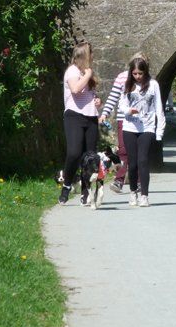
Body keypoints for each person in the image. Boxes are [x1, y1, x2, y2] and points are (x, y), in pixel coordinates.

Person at [117, 56, 165, 207]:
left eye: (140, 73)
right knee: (132, 163)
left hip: (147, 128)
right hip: (129, 128)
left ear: (145, 72)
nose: (137, 76)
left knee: (143, 160)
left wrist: (159, 132)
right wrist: (128, 111)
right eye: (135, 73)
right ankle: (133, 192)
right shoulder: (128, 85)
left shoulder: (153, 85)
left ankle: (144, 195)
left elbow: (159, 109)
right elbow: (121, 105)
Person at [60, 41, 101, 205]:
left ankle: (86, 191)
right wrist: (88, 75)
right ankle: (67, 185)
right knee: (74, 153)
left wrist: (97, 100)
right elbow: (75, 89)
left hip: (91, 117)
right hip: (74, 116)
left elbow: (89, 95)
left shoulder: (87, 73)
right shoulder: (72, 71)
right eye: (91, 53)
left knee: (90, 156)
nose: (93, 56)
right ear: (85, 55)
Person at [99, 51, 146, 194]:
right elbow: (113, 97)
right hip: (124, 120)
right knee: (124, 151)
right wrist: (105, 113)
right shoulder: (122, 78)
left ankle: (137, 181)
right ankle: (121, 180)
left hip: (141, 121)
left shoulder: (147, 79)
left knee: (138, 153)